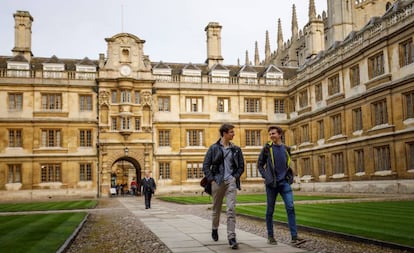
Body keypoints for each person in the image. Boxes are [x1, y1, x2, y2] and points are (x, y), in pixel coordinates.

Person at [257, 126, 304, 245]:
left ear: (280, 134)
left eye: (273, 133)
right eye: (270, 134)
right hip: (271, 184)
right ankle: (270, 236)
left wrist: (290, 177)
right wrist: (266, 176)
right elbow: (259, 164)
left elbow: (287, 165)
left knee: (290, 207)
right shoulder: (267, 148)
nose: (271, 136)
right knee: (270, 210)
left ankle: (294, 236)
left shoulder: (286, 149)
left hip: (284, 183)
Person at [202, 123, 245, 249]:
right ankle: (214, 228)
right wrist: (212, 180)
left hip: (230, 182)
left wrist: (235, 177)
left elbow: (241, 166)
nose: (234, 134)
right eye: (231, 132)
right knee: (216, 209)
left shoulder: (236, 149)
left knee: (231, 209)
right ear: (224, 133)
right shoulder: (213, 148)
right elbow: (206, 165)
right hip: (217, 182)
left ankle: (231, 237)